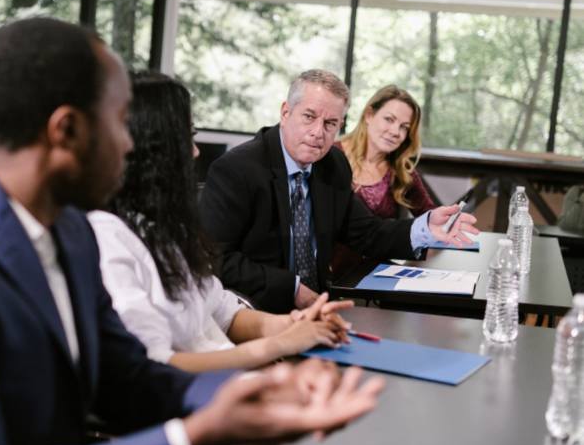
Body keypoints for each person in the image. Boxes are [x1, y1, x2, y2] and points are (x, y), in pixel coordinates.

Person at [0, 19, 385, 445]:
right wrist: (194, 438)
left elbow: (127, 377)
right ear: (66, 130)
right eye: (120, 122)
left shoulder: (67, 227)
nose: (131, 144)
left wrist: (248, 398)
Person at [89, 71, 352, 373]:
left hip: (234, 377)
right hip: (200, 397)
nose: (196, 152)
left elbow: (224, 310)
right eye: (186, 138)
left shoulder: (162, 229)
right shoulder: (106, 239)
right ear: (149, 148)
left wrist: (294, 324)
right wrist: (277, 346)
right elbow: (152, 365)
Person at [199, 69, 476, 314]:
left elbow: (366, 232)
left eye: (331, 124)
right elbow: (216, 259)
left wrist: (424, 228)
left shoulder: (332, 164)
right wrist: (293, 289)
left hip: (323, 308)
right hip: (256, 310)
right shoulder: (237, 169)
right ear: (285, 112)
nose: (318, 132)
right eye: (309, 117)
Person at [331, 85, 436, 276]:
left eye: (404, 127)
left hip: (376, 277)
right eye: (389, 119)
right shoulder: (331, 156)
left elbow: (431, 216)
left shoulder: (402, 173)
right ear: (369, 115)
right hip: (329, 276)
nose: (396, 131)